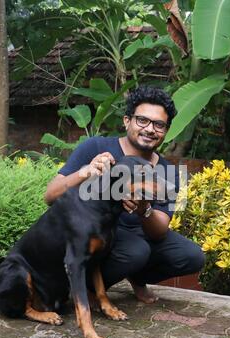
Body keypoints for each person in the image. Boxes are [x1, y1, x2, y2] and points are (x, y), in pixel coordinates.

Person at [44, 85, 205, 304]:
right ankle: (89, 288)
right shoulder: (95, 146)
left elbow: (159, 232)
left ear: (166, 130)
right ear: (127, 120)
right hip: (95, 231)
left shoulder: (170, 172)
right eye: (142, 120)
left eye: (159, 125)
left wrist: (144, 209)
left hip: (139, 234)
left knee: (192, 256)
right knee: (135, 251)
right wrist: (86, 171)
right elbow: (50, 196)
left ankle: (138, 278)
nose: (150, 129)